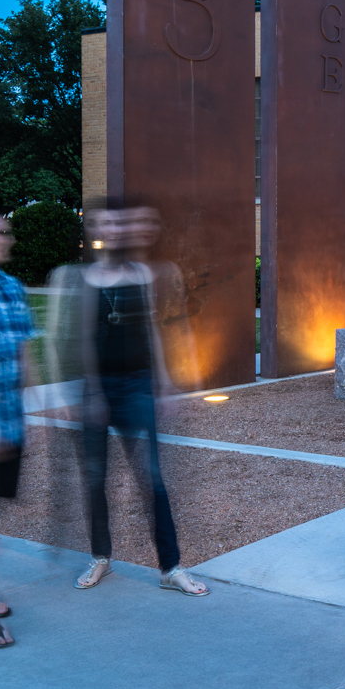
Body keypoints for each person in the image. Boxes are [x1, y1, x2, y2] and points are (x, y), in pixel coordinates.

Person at [69, 200, 206, 595]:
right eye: (102, 225)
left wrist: (162, 383)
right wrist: (93, 391)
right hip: (99, 388)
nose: (110, 231)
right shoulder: (86, 279)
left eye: (116, 225)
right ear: (94, 232)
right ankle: (100, 558)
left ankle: (171, 567)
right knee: (96, 479)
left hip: (137, 384)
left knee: (154, 479)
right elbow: (84, 340)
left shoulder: (142, 275)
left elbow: (151, 333)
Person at [0, 210, 36, 649]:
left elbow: (24, 353)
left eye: (5, 231)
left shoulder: (11, 287)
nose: (5, 238)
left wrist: (31, 413)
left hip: (8, 423)